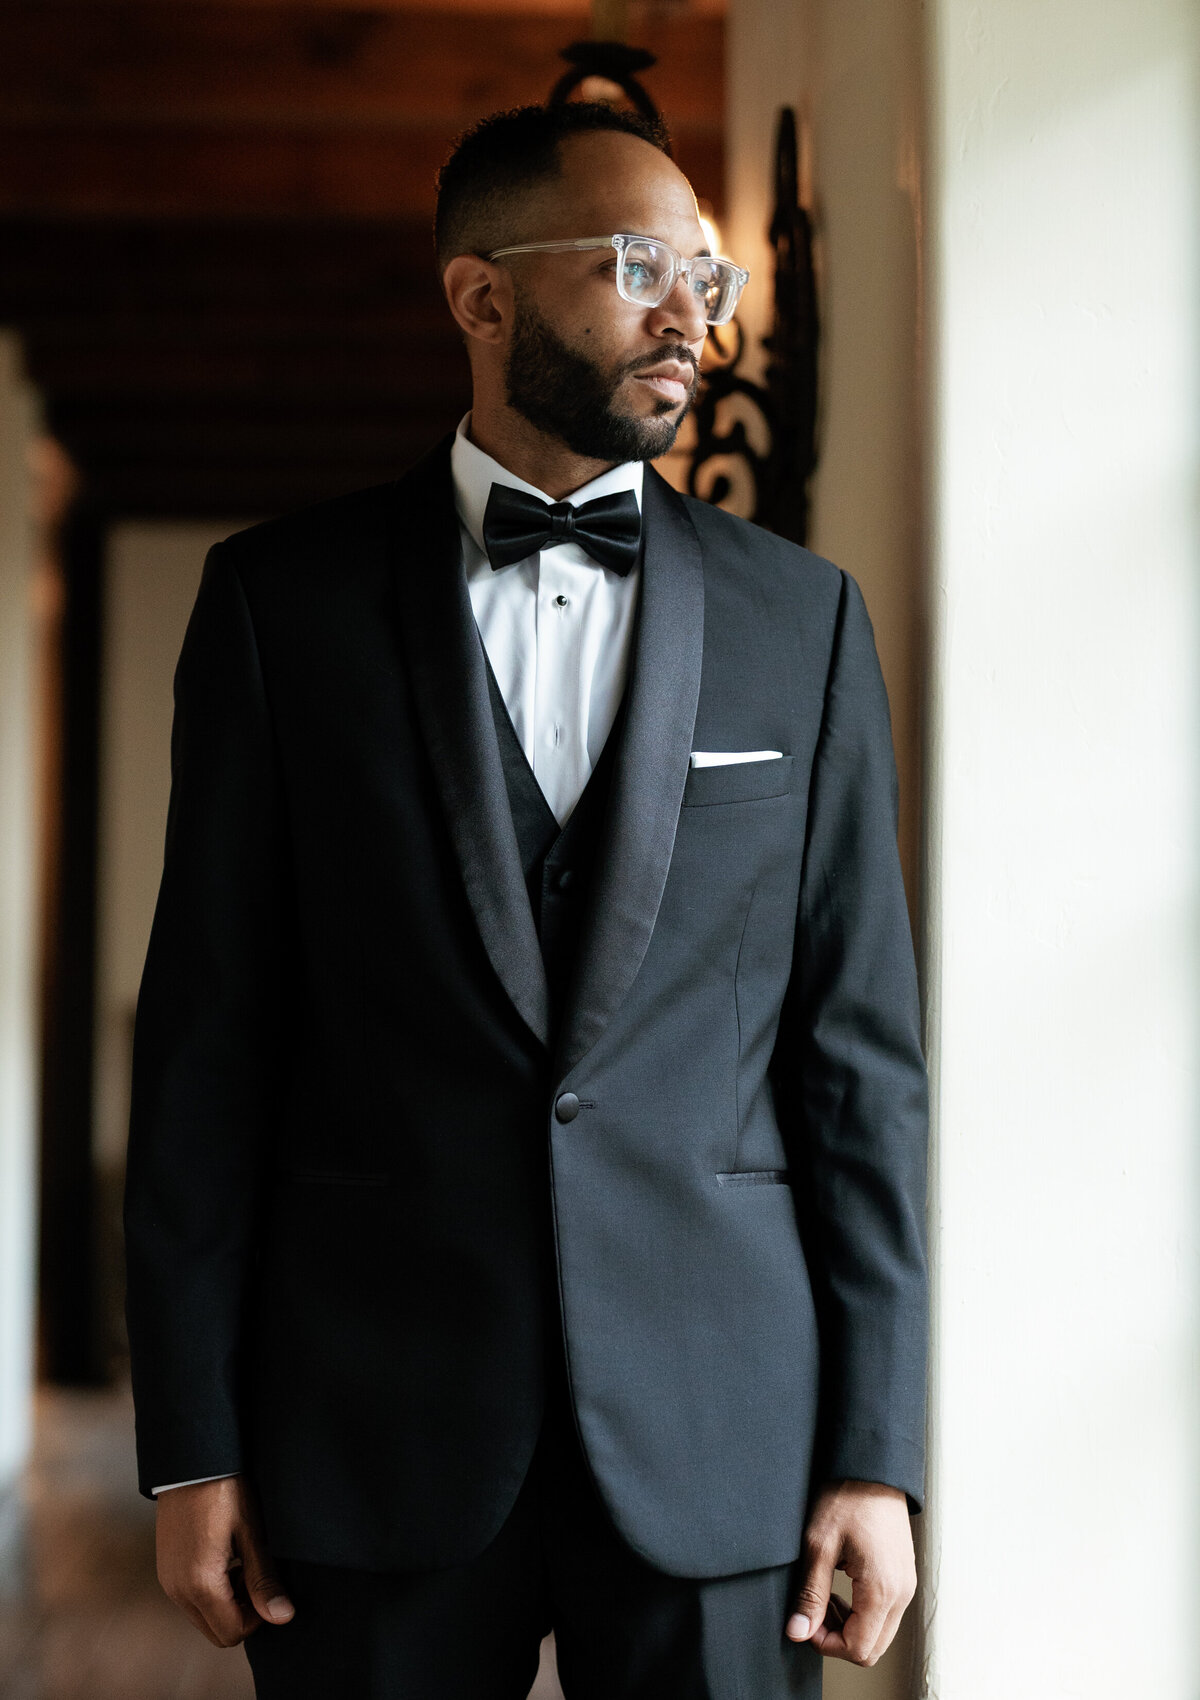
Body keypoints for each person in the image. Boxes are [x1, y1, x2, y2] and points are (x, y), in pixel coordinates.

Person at [124, 101, 929, 1700]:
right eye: (642, 266)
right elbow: (207, 1050)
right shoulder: (282, 608)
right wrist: (192, 1450)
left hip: (724, 1443)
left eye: (706, 273)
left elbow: (860, 1070)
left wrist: (877, 1456)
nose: (693, 311)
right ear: (479, 299)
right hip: (366, 1432)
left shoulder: (805, 623)